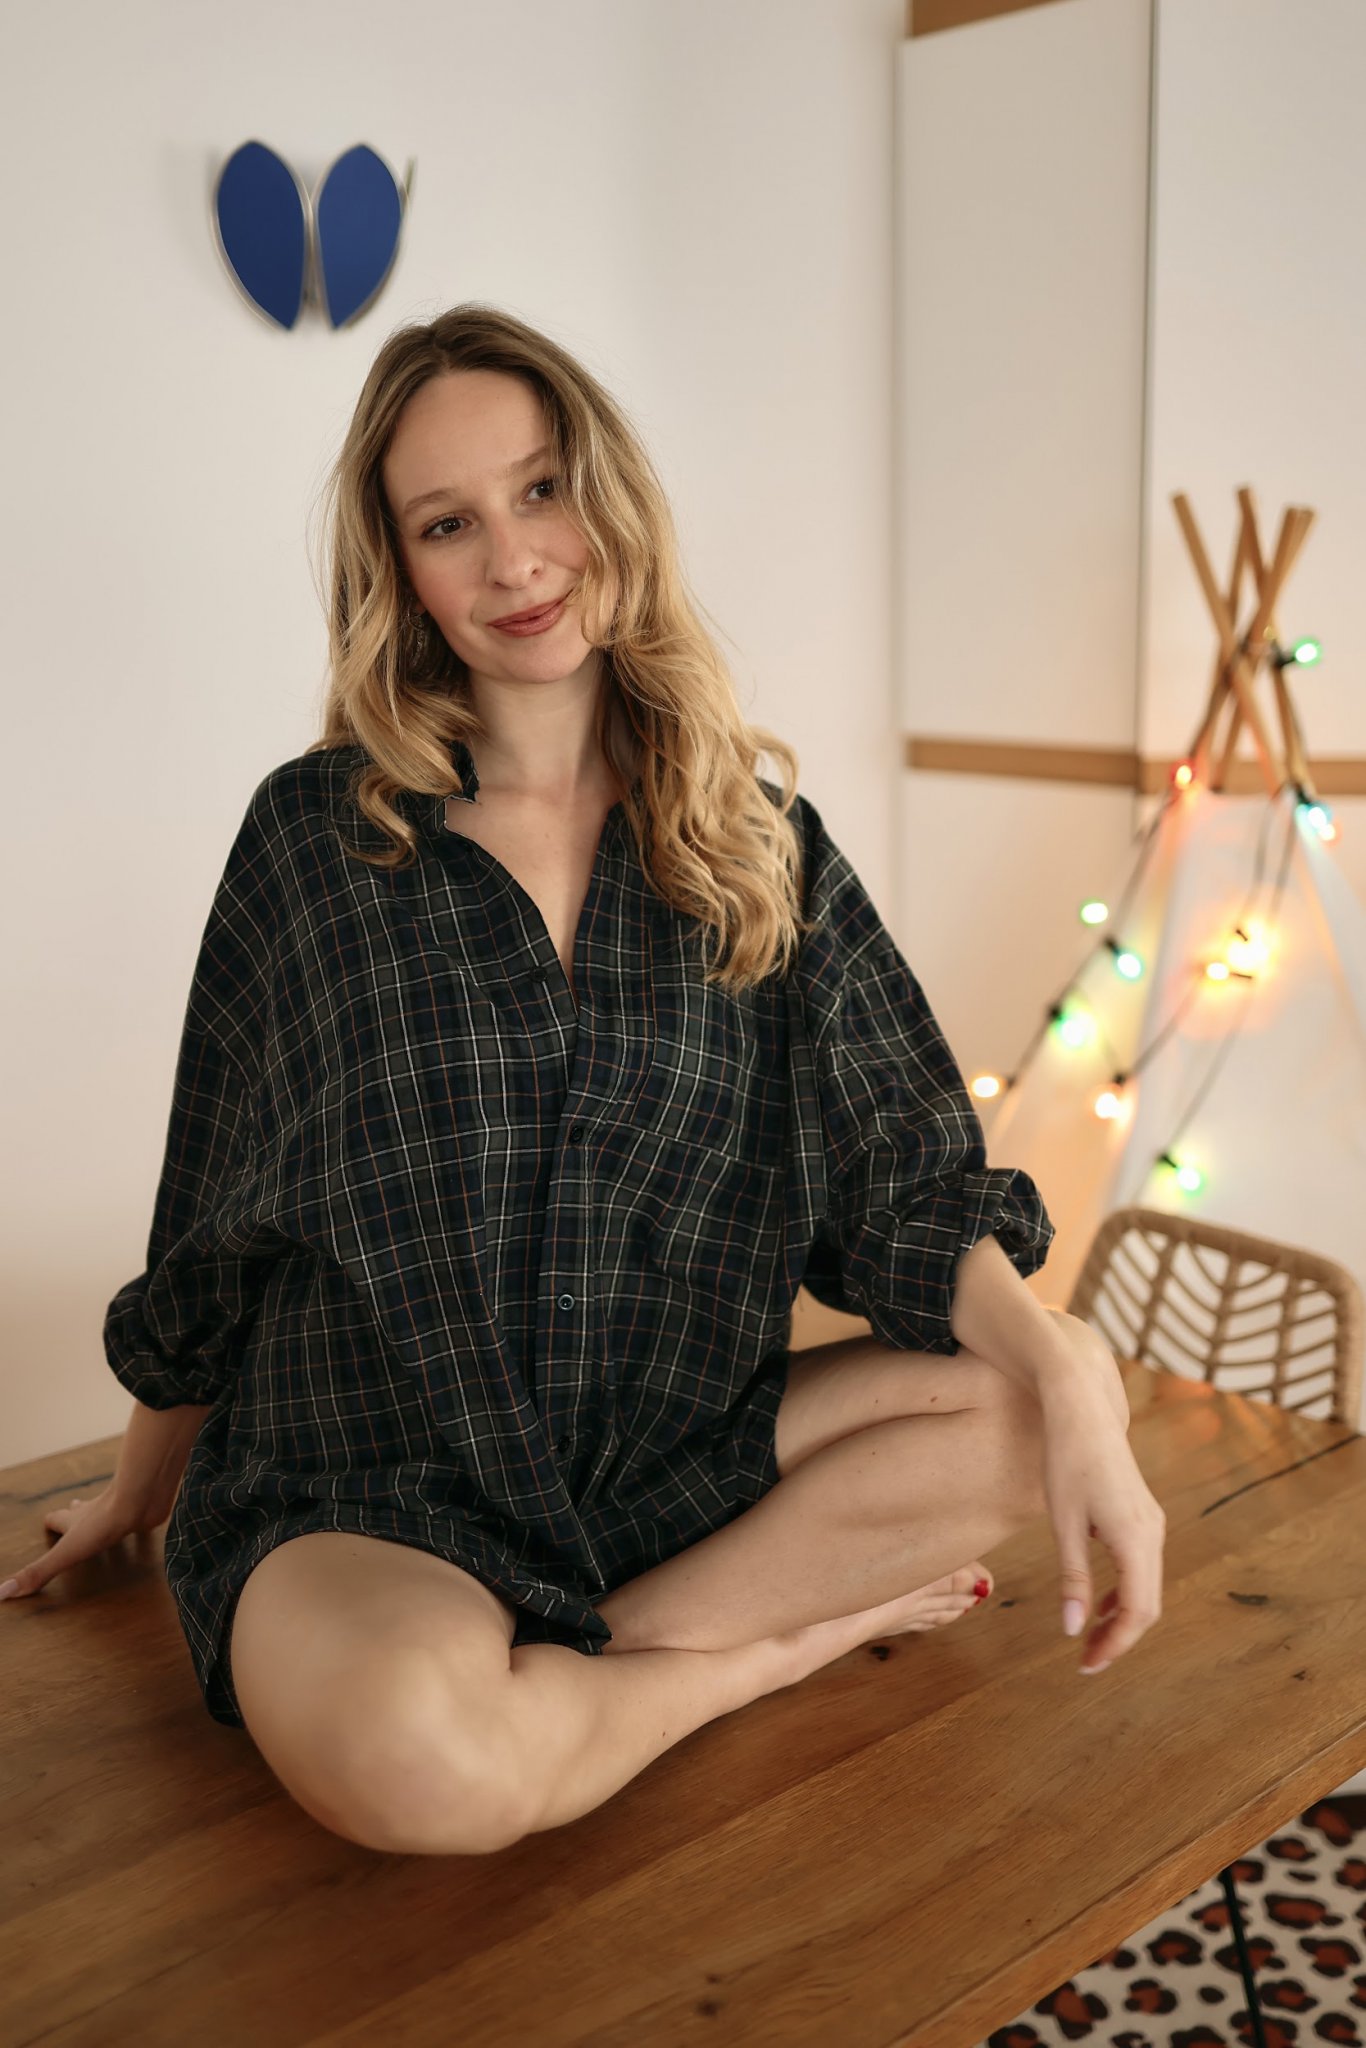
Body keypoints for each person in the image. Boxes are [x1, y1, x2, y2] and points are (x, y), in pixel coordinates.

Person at [1, 305, 1161, 1855]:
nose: (513, 559)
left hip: (660, 1462)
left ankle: (584, 1674)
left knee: (1045, 1403)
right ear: (401, 571)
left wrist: (1074, 1379)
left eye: (540, 490)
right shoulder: (316, 839)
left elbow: (906, 1180)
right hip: (376, 1483)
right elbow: (219, 1212)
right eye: (448, 523)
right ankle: (757, 1651)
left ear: (608, 498)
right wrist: (141, 1490)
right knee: (428, 1771)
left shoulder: (759, 847)